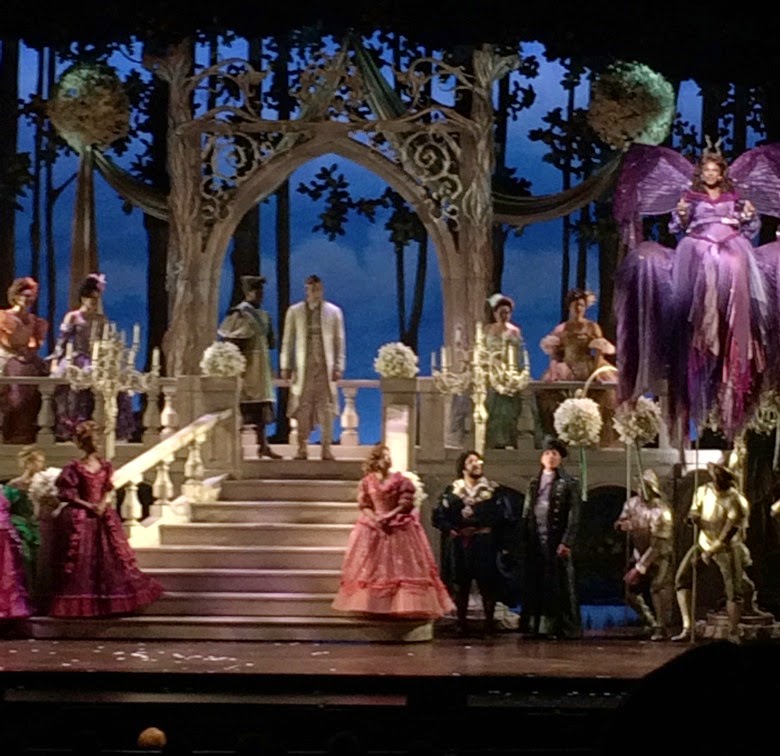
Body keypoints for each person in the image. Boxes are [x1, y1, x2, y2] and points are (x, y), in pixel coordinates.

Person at [613, 143, 777, 442]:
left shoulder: (734, 196)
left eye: (715, 170)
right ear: (701, 173)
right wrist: (682, 214)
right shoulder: (690, 196)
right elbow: (678, 227)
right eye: (707, 170)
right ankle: (703, 331)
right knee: (703, 262)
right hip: (698, 242)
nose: (711, 174)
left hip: (731, 241)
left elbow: (749, 228)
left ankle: (734, 334)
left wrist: (749, 216)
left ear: (722, 173)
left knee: (733, 262)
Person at [49, 420, 164, 617]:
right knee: (82, 560)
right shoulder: (75, 467)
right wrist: (89, 506)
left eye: (98, 440)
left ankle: (109, 603)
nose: (97, 443)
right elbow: (67, 494)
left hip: (102, 515)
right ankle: (84, 604)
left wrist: (102, 503)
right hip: (83, 516)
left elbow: (107, 489)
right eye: (93, 440)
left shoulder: (105, 465)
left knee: (110, 559)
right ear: (85, 443)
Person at [331, 443, 454, 619]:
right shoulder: (367, 481)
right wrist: (375, 519)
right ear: (376, 460)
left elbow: (406, 503)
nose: (388, 459)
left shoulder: (401, 480)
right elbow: (365, 504)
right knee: (373, 568)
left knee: (400, 566)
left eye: (389, 456)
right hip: (374, 525)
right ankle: (373, 605)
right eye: (384, 456)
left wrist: (389, 516)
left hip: (397, 523)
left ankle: (398, 605)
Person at [672, 460, 772, 643]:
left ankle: (733, 631)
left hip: (727, 547)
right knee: (682, 579)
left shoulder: (736, 501)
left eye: (721, 475)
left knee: (734, 590)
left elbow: (729, 532)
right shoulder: (703, 491)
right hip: (704, 541)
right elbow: (695, 510)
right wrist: (693, 517)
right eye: (715, 473)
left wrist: (710, 552)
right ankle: (688, 626)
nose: (717, 478)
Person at [432, 449, 522, 636]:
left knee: (487, 584)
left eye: (478, 461)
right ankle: (461, 623)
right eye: (471, 461)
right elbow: (439, 516)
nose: (476, 464)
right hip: (460, 543)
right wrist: (451, 529)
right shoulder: (452, 491)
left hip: (484, 542)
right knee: (460, 584)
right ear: (463, 467)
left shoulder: (493, 491)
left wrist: (482, 520)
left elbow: (505, 517)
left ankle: (488, 625)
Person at [48, 273, 135, 442]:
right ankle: (73, 429)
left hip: (97, 359)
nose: (94, 302)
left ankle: (104, 429)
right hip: (77, 358)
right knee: (74, 389)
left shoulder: (102, 319)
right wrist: (55, 361)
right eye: (91, 299)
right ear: (83, 298)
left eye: (96, 299)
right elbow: (62, 341)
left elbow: (107, 341)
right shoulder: (73, 317)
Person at [538, 288, 618, 446]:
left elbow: (599, 351)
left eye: (581, 305)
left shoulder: (591, 327)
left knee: (604, 394)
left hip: (587, 364)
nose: (578, 308)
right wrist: (554, 370)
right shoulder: (562, 329)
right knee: (550, 394)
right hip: (567, 366)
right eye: (575, 305)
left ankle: (594, 434)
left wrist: (596, 371)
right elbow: (555, 353)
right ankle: (563, 434)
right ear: (570, 306)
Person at [520, 435, 582, 639]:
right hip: (536, 539)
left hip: (556, 540)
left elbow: (574, 515)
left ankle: (559, 627)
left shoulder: (569, 483)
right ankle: (534, 626)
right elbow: (526, 512)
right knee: (536, 583)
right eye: (547, 453)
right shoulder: (534, 483)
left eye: (554, 453)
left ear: (560, 458)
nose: (550, 457)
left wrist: (566, 541)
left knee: (558, 585)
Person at [280, 274, 345, 461]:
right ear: (306, 290)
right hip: (303, 367)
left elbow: (339, 341)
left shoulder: (333, 312)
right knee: (303, 406)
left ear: (322, 289)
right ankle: (302, 448)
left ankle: (326, 448)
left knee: (326, 408)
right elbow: (288, 340)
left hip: (325, 367)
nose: (314, 292)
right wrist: (285, 365)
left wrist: (339, 366)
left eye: (317, 288)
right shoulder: (295, 311)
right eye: (311, 288)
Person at [218, 274, 281, 459]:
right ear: (248, 292)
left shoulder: (265, 316)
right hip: (247, 370)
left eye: (261, 291)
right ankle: (235, 448)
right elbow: (230, 341)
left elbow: (270, 342)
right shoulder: (239, 314)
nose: (260, 294)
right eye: (256, 291)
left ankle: (263, 446)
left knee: (262, 410)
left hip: (261, 370)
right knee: (242, 409)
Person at [614, 468, 674, 640]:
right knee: (629, 590)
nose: (641, 490)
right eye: (640, 486)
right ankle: (650, 622)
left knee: (658, 588)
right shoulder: (632, 503)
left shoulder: (662, 511)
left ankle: (662, 626)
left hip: (659, 554)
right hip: (638, 551)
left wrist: (639, 569)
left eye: (645, 486)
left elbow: (658, 544)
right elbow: (621, 520)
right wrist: (622, 525)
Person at [0, 277, 48, 444]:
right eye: (25, 295)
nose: (28, 299)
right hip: (6, 356)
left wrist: (28, 352)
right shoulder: (4, 317)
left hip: (25, 357)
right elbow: (4, 341)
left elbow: (34, 343)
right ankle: (10, 430)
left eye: (31, 296)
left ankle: (25, 429)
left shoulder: (34, 321)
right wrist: (14, 352)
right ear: (15, 296)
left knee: (39, 374)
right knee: (15, 381)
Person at [2, 447, 45, 599]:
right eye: (38, 461)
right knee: (24, 558)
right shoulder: (15, 485)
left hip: (37, 526)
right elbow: (5, 507)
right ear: (28, 463)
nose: (41, 465)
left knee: (38, 560)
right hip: (20, 526)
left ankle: (37, 595)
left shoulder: (43, 484)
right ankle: (25, 595)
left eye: (42, 461)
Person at [484, 293, 525, 449]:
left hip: (508, 373)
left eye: (507, 313)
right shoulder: (488, 330)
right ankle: (491, 441)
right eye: (501, 312)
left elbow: (519, 354)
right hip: (491, 372)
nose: (504, 316)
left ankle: (508, 441)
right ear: (495, 313)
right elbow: (482, 350)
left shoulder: (514, 331)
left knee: (507, 410)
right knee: (492, 408)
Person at [0, 486, 32, 621]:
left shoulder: (5, 490)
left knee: (7, 571)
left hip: (5, 534)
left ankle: (8, 607)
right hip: (4, 533)